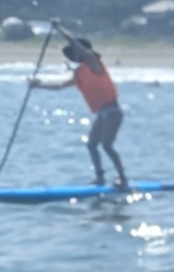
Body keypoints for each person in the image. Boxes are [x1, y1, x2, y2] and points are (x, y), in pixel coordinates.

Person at [30, 30, 127, 187]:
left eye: (77, 50)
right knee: (91, 145)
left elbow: (74, 42)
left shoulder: (94, 63)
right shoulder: (80, 73)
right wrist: (38, 85)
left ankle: (123, 178)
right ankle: (100, 178)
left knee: (107, 145)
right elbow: (59, 86)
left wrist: (59, 28)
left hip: (113, 111)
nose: (75, 54)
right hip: (101, 113)